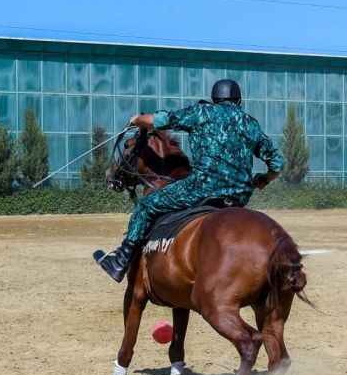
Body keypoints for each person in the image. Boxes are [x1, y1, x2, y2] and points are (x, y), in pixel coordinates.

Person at [93, 79, 284, 282]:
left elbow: (163, 119)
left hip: (200, 188)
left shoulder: (201, 112)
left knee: (146, 206)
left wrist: (138, 120)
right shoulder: (250, 123)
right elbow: (277, 163)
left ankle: (120, 261)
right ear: (239, 101)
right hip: (239, 197)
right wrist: (263, 179)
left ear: (213, 99)